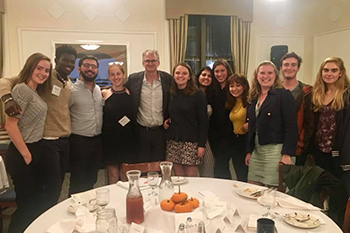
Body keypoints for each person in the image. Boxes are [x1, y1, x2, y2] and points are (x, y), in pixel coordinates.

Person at [0, 45, 77, 206]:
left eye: (72, 61)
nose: (69, 64)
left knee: (56, 185)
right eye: (65, 60)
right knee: (48, 188)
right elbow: (6, 81)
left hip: (65, 140)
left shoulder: (69, 83)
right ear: (57, 60)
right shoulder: (46, 78)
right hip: (46, 141)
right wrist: (7, 98)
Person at [5, 53, 52, 233]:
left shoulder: (34, 91)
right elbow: (11, 125)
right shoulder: (21, 90)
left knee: (33, 202)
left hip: (34, 148)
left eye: (46, 70)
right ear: (30, 67)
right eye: (39, 68)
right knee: (26, 204)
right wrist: (26, 154)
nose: (43, 73)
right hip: (22, 151)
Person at [245, 61, 297, 187]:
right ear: (256, 76)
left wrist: (287, 154)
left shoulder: (283, 95)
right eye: (262, 73)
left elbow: (291, 127)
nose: (266, 76)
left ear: (275, 75)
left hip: (276, 152)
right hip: (257, 152)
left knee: (272, 193)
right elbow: (252, 126)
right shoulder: (253, 97)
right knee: (252, 190)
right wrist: (249, 151)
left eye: (270, 73)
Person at [310, 57, 350, 195]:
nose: (329, 73)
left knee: (339, 192)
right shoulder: (316, 94)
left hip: (339, 153)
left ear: (341, 73)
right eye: (326, 70)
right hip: (319, 151)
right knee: (321, 189)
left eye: (334, 70)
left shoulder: (346, 95)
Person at [125, 50, 172, 162]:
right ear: (143, 63)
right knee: (142, 164)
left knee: (159, 165)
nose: (150, 63)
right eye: (147, 61)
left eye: (153, 61)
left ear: (158, 62)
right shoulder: (133, 79)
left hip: (161, 132)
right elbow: (121, 91)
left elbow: (175, 100)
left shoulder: (168, 79)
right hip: (141, 132)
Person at [164, 63, 208, 176]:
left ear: (189, 76)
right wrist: (166, 121)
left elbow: (204, 121)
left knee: (191, 180)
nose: (180, 76)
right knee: (178, 179)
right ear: (173, 75)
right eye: (177, 73)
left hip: (191, 142)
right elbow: (169, 112)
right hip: (173, 141)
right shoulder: (171, 93)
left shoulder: (198, 94)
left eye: (184, 73)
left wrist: (201, 145)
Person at [69, 55, 103, 195]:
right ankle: (74, 210)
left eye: (94, 66)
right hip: (79, 142)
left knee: (92, 179)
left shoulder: (98, 90)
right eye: (87, 65)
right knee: (78, 180)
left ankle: (88, 210)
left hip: (97, 141)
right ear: (79, 68)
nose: (90, 69)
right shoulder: (71, 91)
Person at [101, 64, 136, 184]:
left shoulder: (130, 93)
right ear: (109, 77)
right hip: (110, 140)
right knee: (113, 175)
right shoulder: (104, 94)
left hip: (128, 140)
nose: (116, 77)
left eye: (118, 74)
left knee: (125, 175)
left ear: (123, 75)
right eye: (112, 75)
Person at [280, 52, 313, 166]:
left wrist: (301, 145)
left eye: (293, 65)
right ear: (281, 68)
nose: (289, 68)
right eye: (286, 64)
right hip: (276, 145)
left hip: (298, 146)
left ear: (298, 68)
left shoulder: (307, 92)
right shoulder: (273, 90)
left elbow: (309, 123)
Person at [206, 59, 234, 179]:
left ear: (228, 71)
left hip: (229, 134)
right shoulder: (212, 89)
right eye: (216, 71)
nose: (219, 74)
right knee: (221, 165)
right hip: (214, 134)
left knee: (220, 166)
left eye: (222, 70)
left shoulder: (233, 88)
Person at [221, 74, 249, 182]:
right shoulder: (231, 103)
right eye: (231, 86)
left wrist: (252, 124)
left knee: (246, 175)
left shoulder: (249, 102)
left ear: (244, 86)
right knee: (239, 174)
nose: (234, 89)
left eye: (238, 85)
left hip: (246, 141)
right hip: (235, 141)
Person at [196, 67, 215, 177]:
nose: (206, 78)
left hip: (208, 136)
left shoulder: (213, 95)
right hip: (192, 135)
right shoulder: (191, 93)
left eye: (209, 76)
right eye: (203, 75)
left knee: (208, 166)